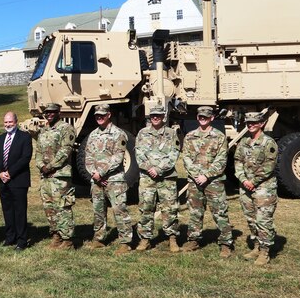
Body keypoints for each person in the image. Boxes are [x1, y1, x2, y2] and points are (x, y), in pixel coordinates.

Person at [179, 105, 233, 257]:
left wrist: (206, 176)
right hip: (195, 181)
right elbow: (186, 157)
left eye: (206, 117)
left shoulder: (219, 137)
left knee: (219, 212)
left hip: (213, 181)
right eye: (201, 117)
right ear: (197, 118)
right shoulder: (190, 136)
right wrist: (197, 175)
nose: (203, 119)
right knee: (195, 212)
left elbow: (222, 160)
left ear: (212, 118)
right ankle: (193, 239)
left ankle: (225, 243)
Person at [85, 104, 133, 255]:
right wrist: (94, 173)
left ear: (109, 115)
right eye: (97, 115)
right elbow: (88, 157)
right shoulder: (93, 135)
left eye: (102, 115)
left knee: (119, 210)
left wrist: (102, 172)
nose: (99, 117)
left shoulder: (118, 134)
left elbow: (118, 157)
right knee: (98, 210)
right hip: (97, 180)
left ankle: (125, 242)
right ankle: (98, 239)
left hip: (114, 180)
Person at [134, 106, 181, 252]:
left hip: (167, 177)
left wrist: (159, 169)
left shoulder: (171, 133)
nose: (155, 117)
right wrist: (149, 168)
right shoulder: (143, 133)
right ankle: (145, 239)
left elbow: (174, 153)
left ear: (163, 116)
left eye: (158, 115)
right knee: (146, 207)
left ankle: (172, 239)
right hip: (147, 177)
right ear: (150, 116)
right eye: (153, 115)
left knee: (169, 208)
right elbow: (138, 153)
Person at [234, 112, 278, 266]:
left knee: (263, 219)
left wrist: (253, 181)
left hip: (263, 188)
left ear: (261, 123)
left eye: (254, 122)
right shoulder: (244, 142)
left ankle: (265, 252)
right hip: (246, 186)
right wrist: (243, 179)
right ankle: (257, 246)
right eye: (248, 123)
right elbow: (237, 161)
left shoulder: (268, 142)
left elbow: (269, 166)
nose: (251, 125)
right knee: (251, 218)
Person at [34, 103, 76, 250]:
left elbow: (65, 151)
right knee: (49, 207)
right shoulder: (43, 131)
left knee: (62, 207)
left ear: (59, 112)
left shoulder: (66, 128)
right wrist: (41, 166)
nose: (49, 114)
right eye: (47, 112)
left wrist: (50, 166)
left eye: (52, 112)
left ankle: (67, 239)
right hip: (45, 176)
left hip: (60, 175)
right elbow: (38, 152)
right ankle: (56, 235)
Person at [0, 111, 32, 251]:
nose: (8, 125)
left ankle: (22, 240)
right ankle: (10, 237)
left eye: (10, 122)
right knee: (7, 210)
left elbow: (25, 158)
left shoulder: (25, 137)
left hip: (18, 180)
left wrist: (10, 172)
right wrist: (0, 173)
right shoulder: (0, 138)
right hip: (3, 181)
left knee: (20, 211)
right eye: (6, 122)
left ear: (16, 122)